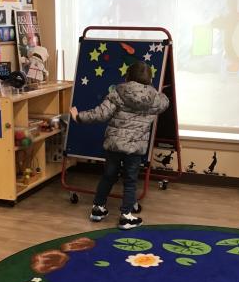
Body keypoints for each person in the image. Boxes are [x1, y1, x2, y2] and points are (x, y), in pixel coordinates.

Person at [70, 60, 169, 229]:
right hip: (135, 148)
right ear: (150, 80)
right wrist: (160, 93)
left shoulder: (117, 93)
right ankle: (126, 216)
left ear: (127, 76)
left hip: (114, 145)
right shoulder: (154, 99)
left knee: (108, 176)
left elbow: (99, 114)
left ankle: (98, 208)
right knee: (130, 181)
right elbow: (165, 103)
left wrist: (78, 117)